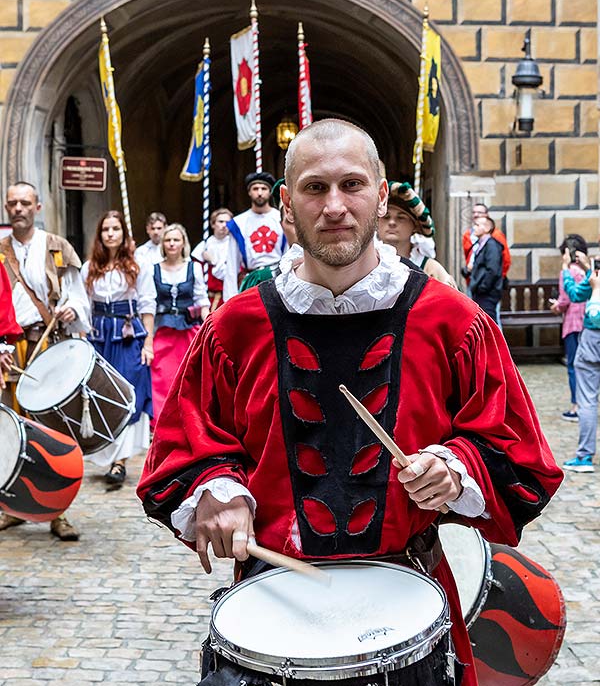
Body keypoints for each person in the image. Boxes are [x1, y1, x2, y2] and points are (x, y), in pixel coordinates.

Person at [138, 118, 562, 686]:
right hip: (269, 606)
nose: (334, 205)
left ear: (381, 197)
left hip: (412, 609)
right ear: (287, 204)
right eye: (315, 188)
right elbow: (180, 450)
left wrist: (457, 469)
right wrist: (214, 488)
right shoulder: (234, 328)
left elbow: (522, 459)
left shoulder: (452, 322)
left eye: (352, 185)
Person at [0, 181, 90, 540]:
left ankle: (58, 511)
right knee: (11, 428)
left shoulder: (57, 248)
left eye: (25, 202)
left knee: (54, 430)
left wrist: (72, 310)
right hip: (10, 350)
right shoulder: (0, 250)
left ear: (38, 207)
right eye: (12, 203)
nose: (18, 208)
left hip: (50, 343)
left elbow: (79, 297)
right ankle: (13, 507)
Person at [82, 210, 155, 489]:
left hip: (128, 337)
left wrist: (148, 343)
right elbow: (84, 306)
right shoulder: (90, 267)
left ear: (124, 233)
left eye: (115, 229)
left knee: (129, 394)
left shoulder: (139, 266)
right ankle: (106, 453)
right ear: (100, 235)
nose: (110, 233)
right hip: (99, 337)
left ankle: (121, 460)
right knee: (102, 395)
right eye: (105, 229)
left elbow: (147, 305)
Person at [151, 223, 210, 423]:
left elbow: (201, 300)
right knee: (162, 378)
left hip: (188, 330)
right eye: (168, 240)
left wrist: (209, 326)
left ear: (183, 242)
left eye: (176, 240)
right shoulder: (154, 270)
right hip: (164, 330)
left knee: (189, 376)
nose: (172, 244)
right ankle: (163, 421)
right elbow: (149, 302)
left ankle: (188, 419)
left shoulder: (195, 268)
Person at [560, 245, 600, 472]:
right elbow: (576, 295)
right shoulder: (593, 273)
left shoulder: (596, 280)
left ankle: (584, 457)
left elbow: (592, 313)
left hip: (593, 339)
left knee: (587, 400)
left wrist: (566, 269)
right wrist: (587, 269)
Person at [378, 181, 457, 288]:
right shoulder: (363, 267)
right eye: (386, 217)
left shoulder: (432, 270)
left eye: (401, 217)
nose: (392, 222)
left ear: (415, 226)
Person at [222, 172, 285, 302]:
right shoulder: (239, 223)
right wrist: (230, 299)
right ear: (249, 192)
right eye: (255, 189)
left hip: (278, 278)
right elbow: (232, 264)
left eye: (264, 188)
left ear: (270, 192)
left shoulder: (281, 218)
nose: (260, 193)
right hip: (252, 279)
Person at [549, 234, 587, 422]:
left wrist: (556, 306)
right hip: (587, 324)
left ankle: (576, 405)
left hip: (573, 323)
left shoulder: (567, 272)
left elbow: (565, 300)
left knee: (573, 366)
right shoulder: (586, 271)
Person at [463, 215, 503, 324]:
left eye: (477, 225)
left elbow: (493, 270)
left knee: (489, 324)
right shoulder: (481, 245)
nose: (474, 228)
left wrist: (482, 287)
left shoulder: (492, 245)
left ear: (486, 229)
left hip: (487, 294)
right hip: (481, 292)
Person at [191, 208, 233, 312]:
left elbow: (228, 275)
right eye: (220, 221)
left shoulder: (234, 246)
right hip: (207, 299)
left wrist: (213, 261)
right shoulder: (204, 245)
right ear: (213, 224)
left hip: (227, 297)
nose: (224, 225)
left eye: (227, 222)